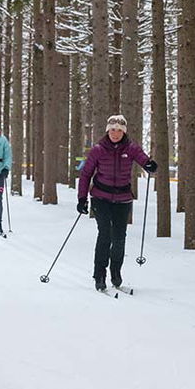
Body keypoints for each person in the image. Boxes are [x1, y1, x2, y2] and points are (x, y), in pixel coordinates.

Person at [78, 114, 157, 291]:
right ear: (108, 130)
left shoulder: (131, 148)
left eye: (119, 130)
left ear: (124, 132)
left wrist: (149, 165)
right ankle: (99, 275)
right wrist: (82, 198)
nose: (115, 133)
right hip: (101, 198)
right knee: (105, 235)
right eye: (112, 130)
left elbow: (143, 159)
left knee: (119, 238)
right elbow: (85, 175)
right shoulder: (98, 149)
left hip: (123, 200)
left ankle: (116, 272)